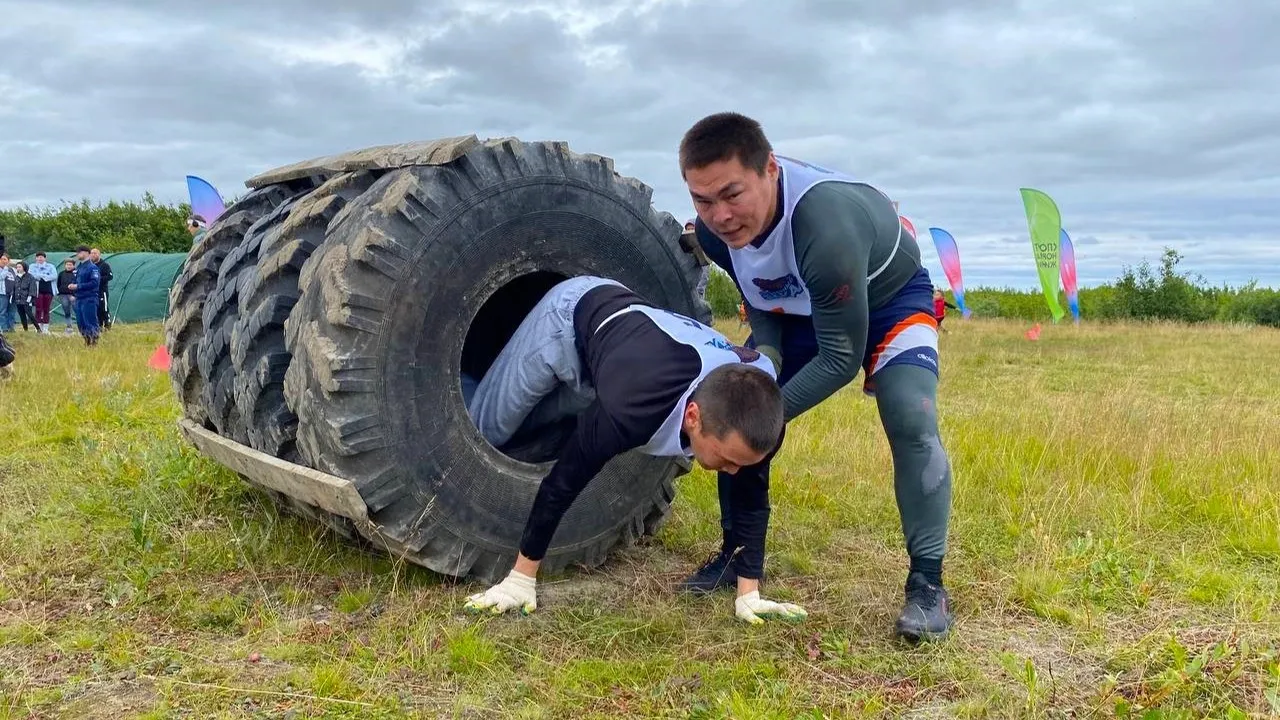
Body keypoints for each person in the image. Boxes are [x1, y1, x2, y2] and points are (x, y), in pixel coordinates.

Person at [678, 111, 955, 642]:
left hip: (887, 301)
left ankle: (928, 582)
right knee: (742, 401)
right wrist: (767, 366)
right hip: (799, 307)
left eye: (733, 194)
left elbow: (840, 357)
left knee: (909, 415)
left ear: (770, 169)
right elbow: (759, 300)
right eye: (702, 200)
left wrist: (764, 406)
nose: (720, 215)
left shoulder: (823, 227)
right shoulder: (714, 236)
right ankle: (737, 556)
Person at [459, 275, 807, 624]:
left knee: (546, 416)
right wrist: (521, 579)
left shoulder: (762, 418)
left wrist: (749, 593)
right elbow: (564, 480)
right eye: (727, 460)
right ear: (693, 417)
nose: (733, 471)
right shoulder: (634, 405)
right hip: (569, 318)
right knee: (490, 424)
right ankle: (465, 373)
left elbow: (751, 497)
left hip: (624, 350)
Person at [68, 245, 101, 346]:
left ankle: (93, 343)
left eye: (80, 252)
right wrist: (72, 286)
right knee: (81, 323)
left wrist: (78, 286)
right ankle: (87, 341)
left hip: (89, 298)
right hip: (79, 299)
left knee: (90, 321)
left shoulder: (93, 268)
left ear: (87, 253)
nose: (78, 254)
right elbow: (76, 279)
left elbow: (94, 283)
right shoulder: (79, 267)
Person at [29, 252, 59, 334]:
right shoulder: (32, 266)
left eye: (41, 257)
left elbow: (54, 275)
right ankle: (37, 328)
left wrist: (44, 277)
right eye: (38, 257)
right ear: (36, 258)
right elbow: (31, 275)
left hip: (49, 289)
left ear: (45, 258)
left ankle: (45, 328)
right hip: (37, 290)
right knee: (38, 309)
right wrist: (43, 275)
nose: (40, 259)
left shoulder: (51, 266)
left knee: (46, 309)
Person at [12, 262, 36, 332]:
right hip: (18, 299)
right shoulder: (16, 277)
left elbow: (32, 288)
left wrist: (30, 297)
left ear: (24, 267)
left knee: (30, 314)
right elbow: (14, 288)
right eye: (17, 267)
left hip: (26, 299)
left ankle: (38, 328)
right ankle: (26, 330)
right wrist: (12, 296)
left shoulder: (30, 277)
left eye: (20, 267)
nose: (18, 268)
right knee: (22, 315)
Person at [56, 258, 77, 335]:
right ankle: (69, 326)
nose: (68, 266)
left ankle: (81, 325)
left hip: (73, 295)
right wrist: (59, 293)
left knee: (77, 310)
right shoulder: (61, 274)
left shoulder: (76, 273)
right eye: (67, 265)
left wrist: (74, 295)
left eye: (70, 265)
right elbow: (58, 284)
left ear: (73, 265)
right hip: (63, 295)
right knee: (66, 311)